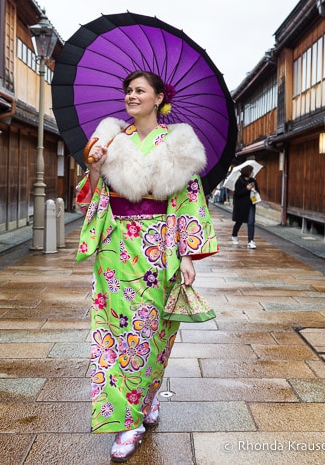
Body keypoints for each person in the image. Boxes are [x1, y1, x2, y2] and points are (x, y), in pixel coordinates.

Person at [75, 70, 218, 462]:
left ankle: (148, 395)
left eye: (140, 90)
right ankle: (127, 421)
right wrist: (95, 166)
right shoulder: (109, 137)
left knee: (152, 333)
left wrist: (186, 254)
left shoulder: (177, 143)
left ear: (158, 98)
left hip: (157, 250)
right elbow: (89, 198)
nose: (131, 96)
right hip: (114, 247)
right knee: (113, 334)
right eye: (128, 90)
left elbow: (188, 200)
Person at [230, 164, 259, 249]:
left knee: (251, 222)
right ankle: (234, 235)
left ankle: (250, 241)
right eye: (251, 171)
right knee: (239, 221)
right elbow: (237, 194)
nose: (252, 173)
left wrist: (254, 189)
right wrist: (246, 189)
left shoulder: (253, 181)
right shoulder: (239, 181)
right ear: (247, 172)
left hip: (250, 204)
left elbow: (257, 191)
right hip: (241, 205)